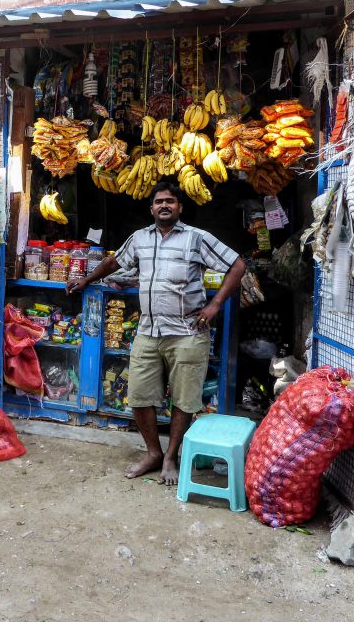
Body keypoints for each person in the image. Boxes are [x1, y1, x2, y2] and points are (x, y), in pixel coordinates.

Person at [68, 182, 246, 485]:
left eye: (171, 201)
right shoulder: (139, 239)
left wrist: (215, 304)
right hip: (149, 330)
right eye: (159, 202)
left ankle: (171, 457)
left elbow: (238, 264)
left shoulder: (196, 238)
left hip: (188, 332)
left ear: (180, 208)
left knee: (184, 399)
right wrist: (87, 279)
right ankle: (152, 452)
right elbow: (114, 261)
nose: (165, 206)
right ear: (151, 208)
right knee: (138, 395)